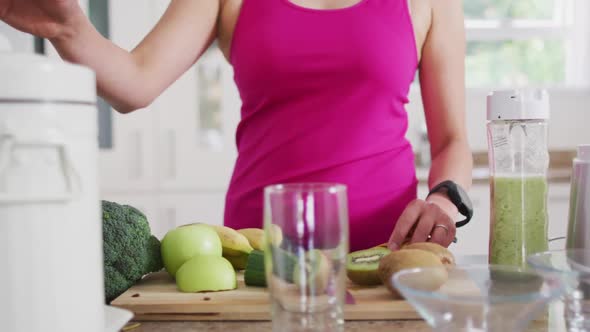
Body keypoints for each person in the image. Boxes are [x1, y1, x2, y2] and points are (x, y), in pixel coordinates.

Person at [0, 0, 473, 252]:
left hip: (389, 250)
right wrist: (68, 30)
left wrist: (444, 201)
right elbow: (135, 82)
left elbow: (452, 139)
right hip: (259, 253)